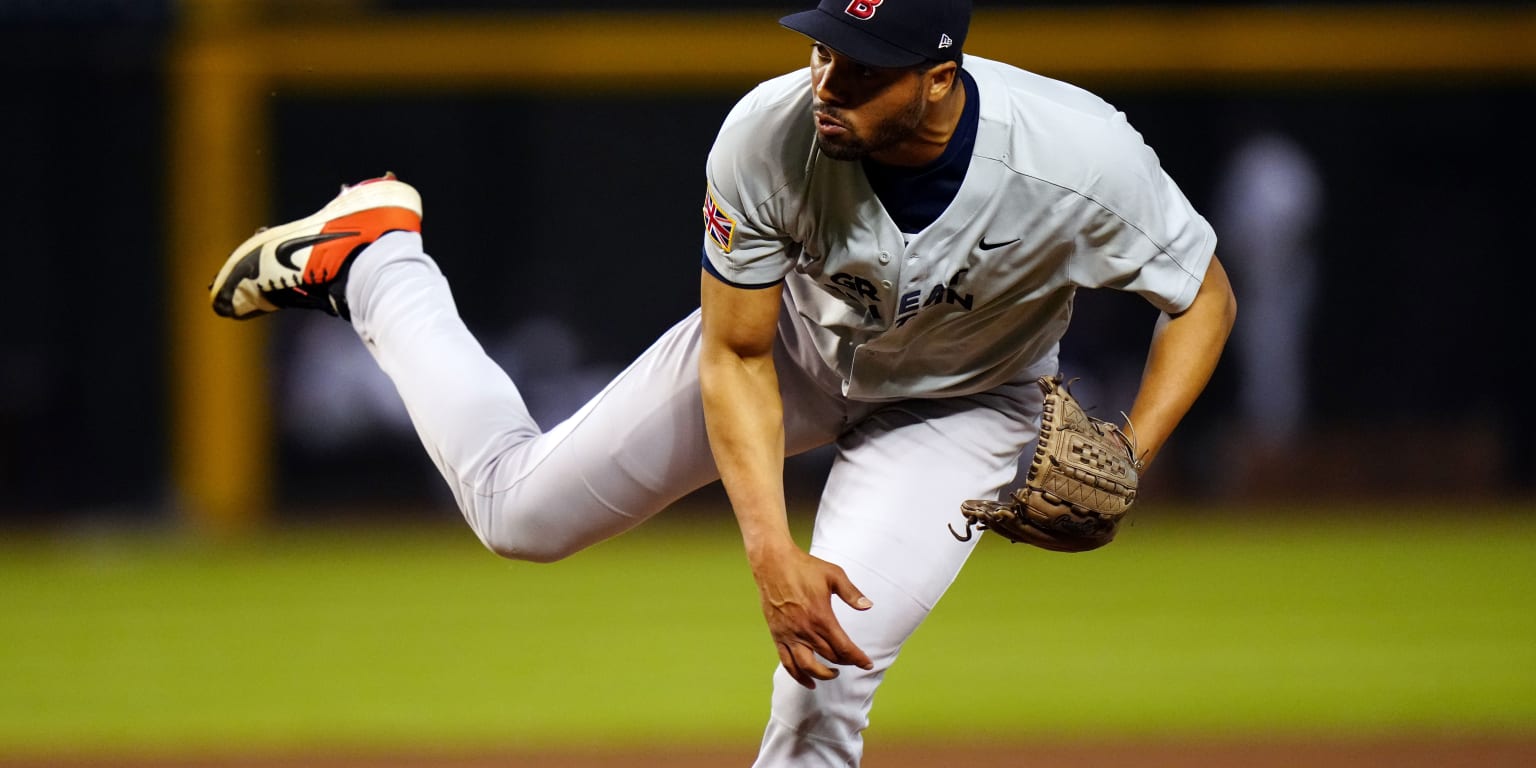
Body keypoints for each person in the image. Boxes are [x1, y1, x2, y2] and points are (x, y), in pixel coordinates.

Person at [208, 1, 1236, 764]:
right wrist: (770, 552)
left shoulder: (1078, 155)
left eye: (862, 69)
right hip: (791, 350)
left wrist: (1134, 452)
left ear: (939, 74)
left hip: (966, 405)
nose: (828, 84)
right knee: (516, 512)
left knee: (827, 685)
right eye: (824, 50)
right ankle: (379, 258)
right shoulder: (769, 132)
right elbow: (736, 353)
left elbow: (1202, 295)